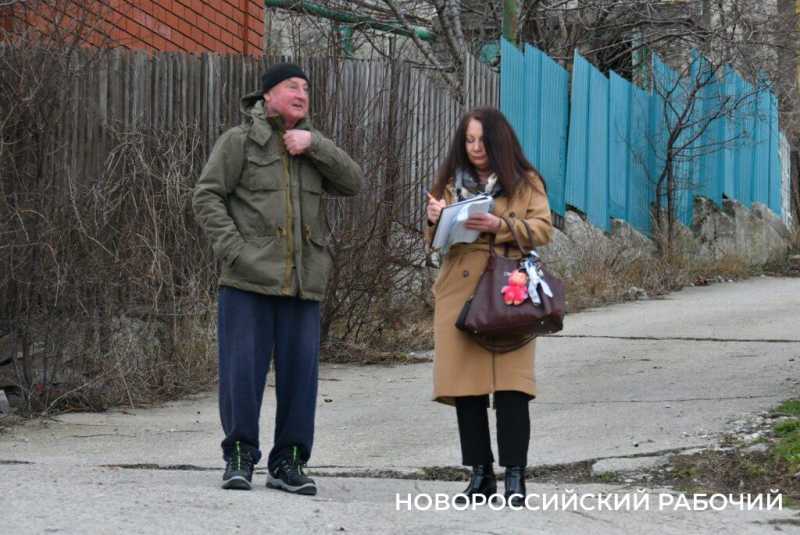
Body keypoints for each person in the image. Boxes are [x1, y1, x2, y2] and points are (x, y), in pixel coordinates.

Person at [192, 63, 362, 494]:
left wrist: (315, 144)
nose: (301, 93)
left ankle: (288, 463)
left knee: (300, 379)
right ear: (267, 95)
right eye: (292, 86)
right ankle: (239, 456)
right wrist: (234, 251)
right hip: (247, 281)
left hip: (303, 282)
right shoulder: (239, 142)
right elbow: (206, 195)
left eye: (306, 87)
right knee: (241, 375)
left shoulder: (309, 147)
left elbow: (353, 182)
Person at [425, 107, 553, 507]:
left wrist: (502, 226)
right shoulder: (448, 182)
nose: (475, 148)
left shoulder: (525, 181)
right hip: (458, 288)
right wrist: (434, 218)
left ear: (499, 141)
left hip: (508, 287)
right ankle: (480, 475)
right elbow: (433, 239)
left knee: (513, 386)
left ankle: (515, 475)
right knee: (467, 388)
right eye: (468, 140)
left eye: (482, 140)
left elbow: (544, 228)